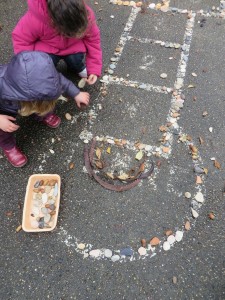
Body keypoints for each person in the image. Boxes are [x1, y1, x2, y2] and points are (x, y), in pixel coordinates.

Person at [0, 51, 90, 167]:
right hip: (4, 109)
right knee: (3, 131)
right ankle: (9, 146)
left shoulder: (48, 77)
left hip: (26, 100)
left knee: (44, 102)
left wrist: (76, 93)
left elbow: (61, 81)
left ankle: (42, 113)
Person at [12, 0, 102, 87]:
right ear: (53, 22)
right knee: (44, 66)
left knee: (75, 59)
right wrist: (29, 68)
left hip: (73, 47)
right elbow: (22, 41)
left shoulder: (85, 14)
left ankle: (76, 67)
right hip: (47, 48)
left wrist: (93, 69)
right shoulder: (35, 19)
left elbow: (93, 41)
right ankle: (46, 72)